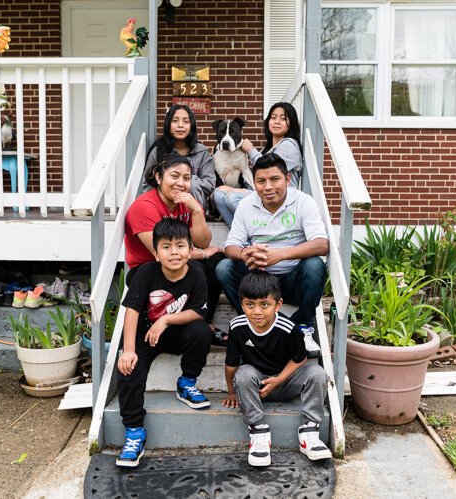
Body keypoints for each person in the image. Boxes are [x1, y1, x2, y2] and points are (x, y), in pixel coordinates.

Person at [116, 218, 213, 468]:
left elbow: (199, 312)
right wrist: (128, 350)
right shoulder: (146, 273)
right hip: (146, 334)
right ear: (156, 253)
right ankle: (135, 431)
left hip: (177, 333)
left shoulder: (196, 274)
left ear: (190, 250)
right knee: (129, 368)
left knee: (202, 331)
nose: (174, 252)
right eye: (166, 247)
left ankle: (187, 383)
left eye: (180, 246)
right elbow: (133, 311)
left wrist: (167, 319)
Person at [215, 153, 328, 358]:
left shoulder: (303, 202)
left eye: (274, 179)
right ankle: (252, 324)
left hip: (293, 279)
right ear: (254, 183)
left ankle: (302, 326)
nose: (267, 187)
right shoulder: (247, 205)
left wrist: (281, 255)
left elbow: (321, 244)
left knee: (314, 265)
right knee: (224, 267)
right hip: (259, 279)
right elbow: (230, 246)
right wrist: (244, 254)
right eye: (261, 181)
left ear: (287, 179)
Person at [222, 271, 331, 467]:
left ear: (278, 305)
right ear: (241, 304)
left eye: (265, 305)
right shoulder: (237, 326)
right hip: (258, 387)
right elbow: (231, 365)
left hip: (286, 381)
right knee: (244, 373)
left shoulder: (288, 328)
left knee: (317, 373)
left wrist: (279, 380)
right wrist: (231, 391)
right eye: (250, 305)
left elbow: (301, 359)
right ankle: (258, 432)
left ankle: (309, 433)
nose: (257, 311)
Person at [125, 153, 225, 334]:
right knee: (197, 265)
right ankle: (178, 320)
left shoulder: (186, 202)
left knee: (217, 260)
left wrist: (196, 210)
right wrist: (202, 254)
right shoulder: (144, 207)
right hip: (148, 268)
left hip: (179, 262)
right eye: (174, 176)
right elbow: (160, 251)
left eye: (186, 178)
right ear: (158, 177)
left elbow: (203, 242)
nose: (181, 183)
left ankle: (202, 318)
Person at [213, 102, 303, 225]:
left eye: (283, 118)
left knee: (232, 197)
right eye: (273, 117)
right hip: (264, 193)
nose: (277, 121)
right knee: (218, 195)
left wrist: (250, 151)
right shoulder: (268, 148)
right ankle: (244, 236)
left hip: (281, 198)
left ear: (291, 123)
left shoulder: (289, 145)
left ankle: (260, 231)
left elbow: (270, 170)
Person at [144, 104, 216, 208]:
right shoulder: (158, 151)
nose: (180, 125)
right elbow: (147, 185)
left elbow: (209, 185)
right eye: (175, 120)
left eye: (186, 121)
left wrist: (188, 179)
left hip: (194, 208)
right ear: (168, 124)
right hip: (164, 209)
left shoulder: (202, 152)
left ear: (192, 126)